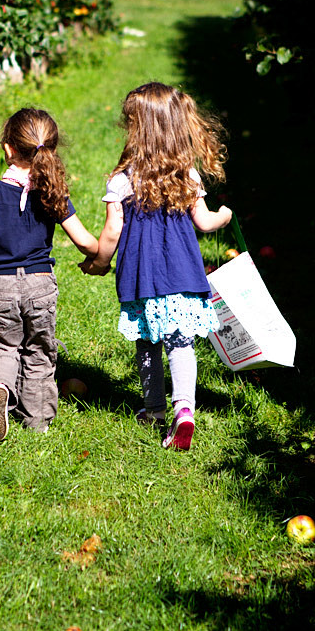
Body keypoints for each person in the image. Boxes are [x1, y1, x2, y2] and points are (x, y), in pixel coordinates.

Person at [80, 82, 232, 451]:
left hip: (141, 277)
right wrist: (223, 217)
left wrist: (99, 262)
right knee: (181, 343)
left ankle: (153, 410)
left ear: (138, 130)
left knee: (147, 343)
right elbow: (204, 222)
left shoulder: (122, 180)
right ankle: (185, 410)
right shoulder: (187, 175)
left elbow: (112, 231)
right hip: (182, 274)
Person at [0, 108, 98, 441]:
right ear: (51, 152)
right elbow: (84, 240)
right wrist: (100, 255)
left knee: (1, 345)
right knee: (39, 351)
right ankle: (38, 421)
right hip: (40, 285)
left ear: (7, 150)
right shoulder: (54, 193)